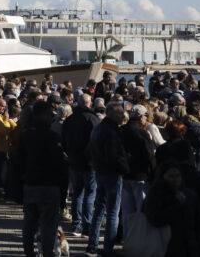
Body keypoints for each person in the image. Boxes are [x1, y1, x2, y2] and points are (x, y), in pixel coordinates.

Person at [17, 101, 67, 257]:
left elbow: (18, 162)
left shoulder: (25, 136)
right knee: (48, 225)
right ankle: (47, 253)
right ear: (44, 115)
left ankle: (29, 253)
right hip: (49, 186)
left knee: (29, 223)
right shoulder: (52, 137)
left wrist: (19, 186)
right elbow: (61, 166)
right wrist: (63, 195)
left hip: (30, 184)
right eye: (49, 114)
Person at [85, 103, 129, 257]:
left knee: (99, 209)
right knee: (112, 212)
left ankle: (92, 244)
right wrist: (125, 169)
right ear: (111, 114)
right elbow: (114, 155)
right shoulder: (111, 131)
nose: (123, 117)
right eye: (120, 114)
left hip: (100, 171)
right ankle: (108, 248)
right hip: (112, 173)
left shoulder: (98, 128)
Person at [143, 161, 200, 257]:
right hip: (165, 246)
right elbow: (155, 219)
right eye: (171, 176)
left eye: (178, 175)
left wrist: (199, 241)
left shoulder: (189, 195)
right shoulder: (156, 194)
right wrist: (176, 205)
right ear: (163, 177)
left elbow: (198, 220)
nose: (175, 179)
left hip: (189, 247)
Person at [61, 93, 99, 237]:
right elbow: (97, 141)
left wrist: (70, 153)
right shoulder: (92, 119)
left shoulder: (69, 119)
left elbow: (64, 141)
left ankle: (76, 224)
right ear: (90, 103)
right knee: (90, 194)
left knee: (77, 193)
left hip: (75, 160)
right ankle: (86, 225)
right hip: (89, 162)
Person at [119, 105, 155, 238]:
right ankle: (140, 239)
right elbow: (149, 155)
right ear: (141, 117)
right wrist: (154, 172)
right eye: (146, 115)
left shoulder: (121, 130)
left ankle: (128, 238)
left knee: (127, 211)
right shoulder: (142, 132)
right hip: (141, 175)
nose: (146, 118)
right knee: (141, 210)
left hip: (124, 175)